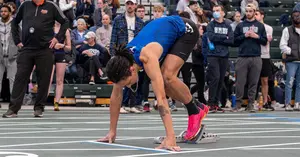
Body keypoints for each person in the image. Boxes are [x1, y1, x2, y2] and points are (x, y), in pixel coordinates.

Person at [97, 15, 209, 151]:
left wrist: (170, 138)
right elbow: (116, 97)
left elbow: (161, 100)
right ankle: (198, 107)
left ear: (132, 70)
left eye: (126, 83)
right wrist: (112, 131)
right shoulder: (120, 63)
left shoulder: (147, 57)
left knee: (167, 77)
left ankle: (194, 111)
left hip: (185, 30)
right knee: (164, 81)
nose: (126, 86)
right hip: (163, 32)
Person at [2, 0, 68, 118]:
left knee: (43, 80)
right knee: (20, 78)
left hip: (45, 49)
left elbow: (65, 22)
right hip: (27, 48)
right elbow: (15, 22)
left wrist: (57, 38)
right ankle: (13, 109)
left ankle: (39, 108)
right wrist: (17, 41)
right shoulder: (25, 5)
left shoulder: (51, 6)